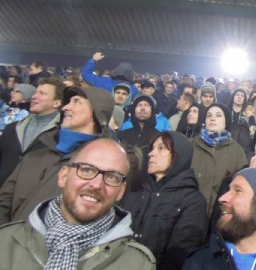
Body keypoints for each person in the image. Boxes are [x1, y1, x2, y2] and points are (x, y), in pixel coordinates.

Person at [0, 138, 155, 269]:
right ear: (63, 176)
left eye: (112, 177)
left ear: (121, 191)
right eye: (87, 170)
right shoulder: (5, 241)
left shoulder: (138, 264)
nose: (96, 185)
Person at [0, 86, 114, 224]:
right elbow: (4, 203)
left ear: (97, 114)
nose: (66, 108)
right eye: (68, 102)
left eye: (77, 102)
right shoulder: (36, 154)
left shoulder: (101, 169)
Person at [121, 131, 207, 269]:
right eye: (152, 148)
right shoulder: (137, 192)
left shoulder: (193, 201)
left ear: (178, 156)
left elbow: (182, 253)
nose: (151, 153)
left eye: (161, 148)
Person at [0, 78, 65, 186]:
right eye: (35, 92)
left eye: (42, 94)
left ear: (56, 103)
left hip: (29, 198)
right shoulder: (12, 128)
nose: (34, 96)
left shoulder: (60, 135)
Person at [190, 103, 247, 216]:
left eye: (218, 115)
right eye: (209, 115)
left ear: (226, 121)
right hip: (189, 213)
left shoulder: (237, 151)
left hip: (220, 215)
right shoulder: (190, 145)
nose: (212, 118)